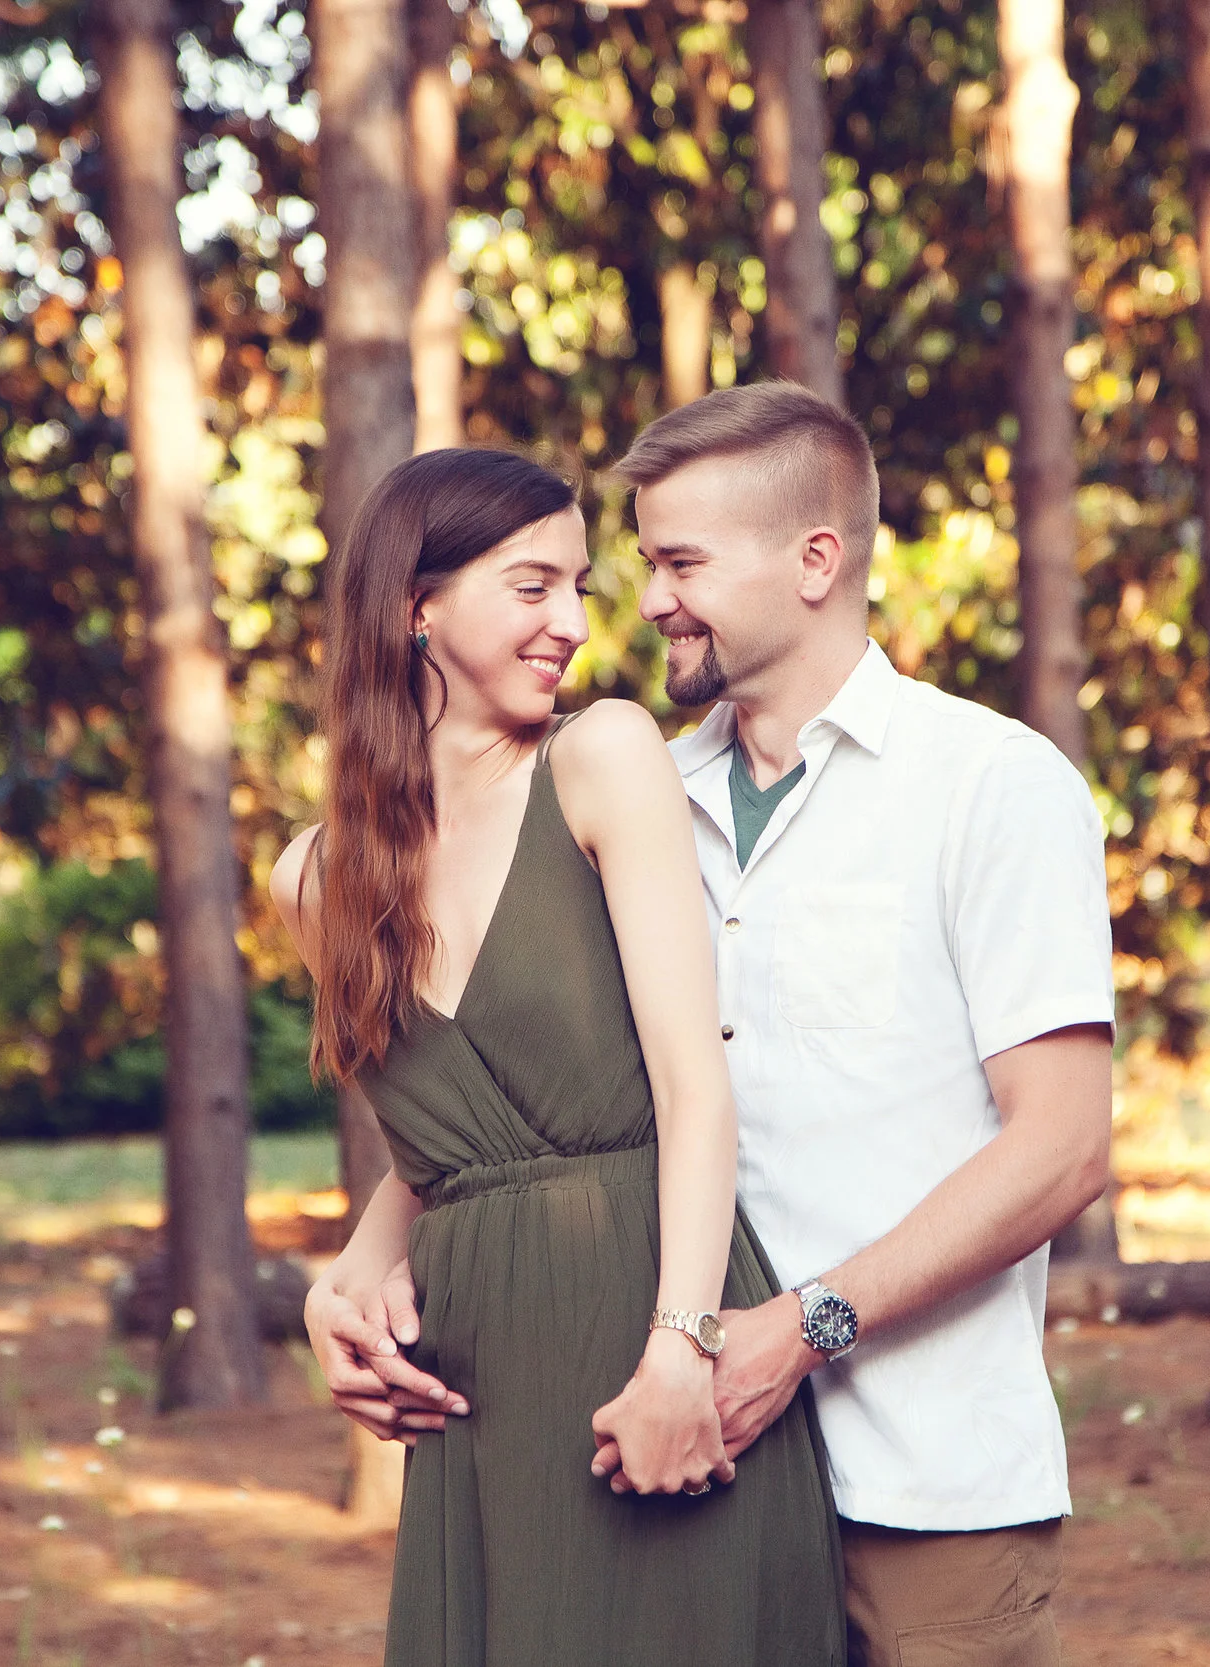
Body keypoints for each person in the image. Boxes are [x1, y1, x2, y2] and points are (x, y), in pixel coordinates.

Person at [309, 384, 1116, 1667]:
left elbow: (1063, 1150)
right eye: (638, 563)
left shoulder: (989, 786)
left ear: (815, 559)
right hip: (660, 1448)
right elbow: (548, 1090)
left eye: (677, 561)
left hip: (918, 1471)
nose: (638, 605)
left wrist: (798, 1330)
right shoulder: (620, 786)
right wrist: (364, 1255)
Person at [272, 445, 845, 1667]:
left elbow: (693, 1089)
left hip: (647, 1336)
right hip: (477, 1392)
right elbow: (449, 1149)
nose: (575, 623)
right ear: (416, 604)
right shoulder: (311, 879)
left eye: (580, 587)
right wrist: (345, 1280)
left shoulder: (600, 757)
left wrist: (682, 1350)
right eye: (534, 585)